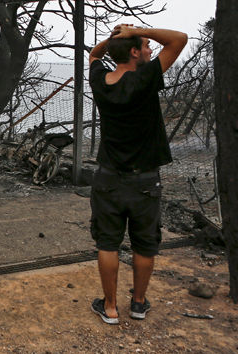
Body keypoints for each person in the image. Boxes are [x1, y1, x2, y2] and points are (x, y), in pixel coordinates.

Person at [87, 24, 187, 324]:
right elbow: (179, 39)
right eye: (145, 46)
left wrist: (115, 39)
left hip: (107, 178)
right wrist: (136, 29)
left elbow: (94, 54)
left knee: (107, 243)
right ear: (133, 52)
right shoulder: (145, 79)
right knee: (145, 244)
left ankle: (111, 308)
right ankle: (139, 304)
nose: (151, 50)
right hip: (145, 179)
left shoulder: (99, 80)